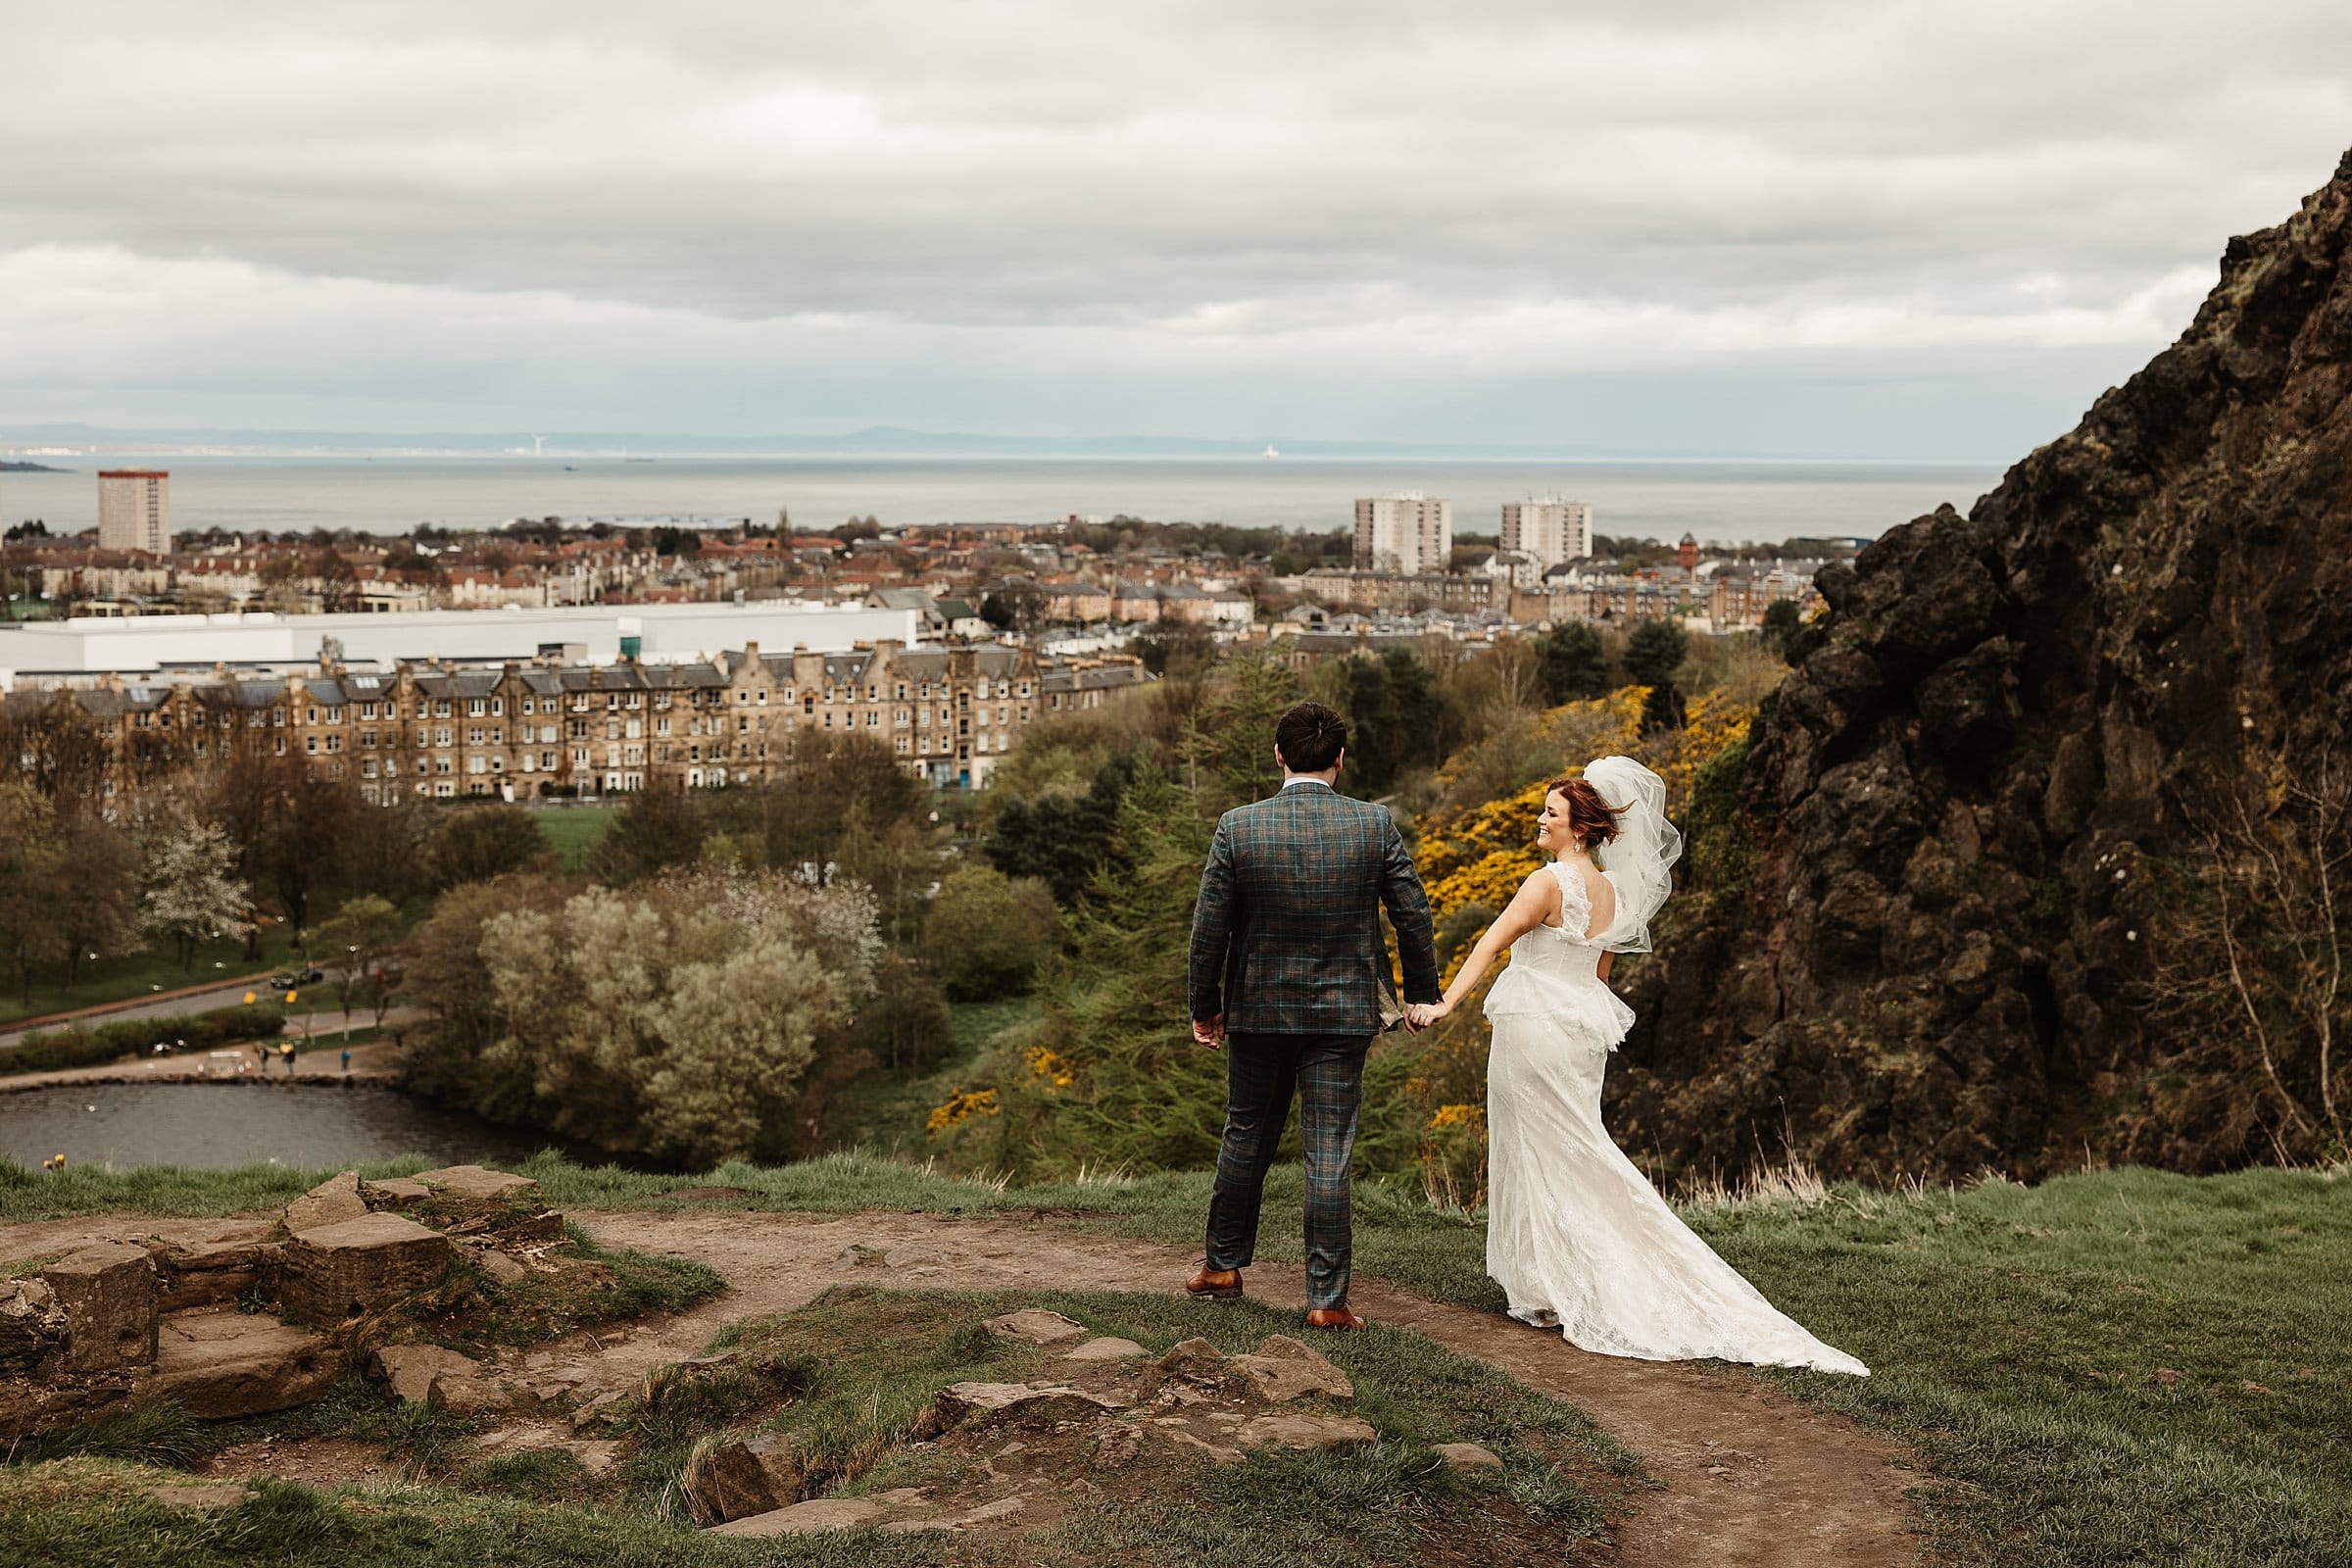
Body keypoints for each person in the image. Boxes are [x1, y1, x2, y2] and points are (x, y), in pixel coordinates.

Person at [1406, 758, 1868, 1376]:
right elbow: (1600, 975)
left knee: (1544, 1150)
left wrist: (1444, 1005)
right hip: (1579, 1035)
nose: (1540, 820)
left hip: (1536, 1029)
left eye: (1551, 813)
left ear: (1580, 830)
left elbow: (1490, 944)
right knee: (1572, 1148)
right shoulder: (1613, 893)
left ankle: (1565, 1282)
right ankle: (1552, 1282)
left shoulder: (1545, 883)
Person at [1186, 701, 1441, 1331]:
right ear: (1339, 760)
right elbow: (1413, 914)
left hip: (1259, 1010)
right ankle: (1326, 1301)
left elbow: (1208, 929)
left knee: (1246, 1135)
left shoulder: (1238, 827)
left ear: (1279, 756)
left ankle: (1221, 1266)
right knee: (1329, 1152)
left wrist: (1206, 1007)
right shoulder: (1374, 825)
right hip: (1343, 1013)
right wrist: (1420, 994)